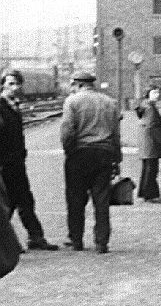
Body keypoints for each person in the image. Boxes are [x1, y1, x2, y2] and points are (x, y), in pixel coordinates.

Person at [60, 71, 122, 253]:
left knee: (75, 199)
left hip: (79, 154)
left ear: (78, 84)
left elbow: (67, 131)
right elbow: (116, 134)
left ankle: (76, 240)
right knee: (102, 200)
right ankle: (102, 242)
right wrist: (117, 159)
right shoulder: (110, 103)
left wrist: (69, 151)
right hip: (104, 154)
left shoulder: (72, 101)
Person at [0, 70, 59, 251]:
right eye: (10, 84)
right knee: (12, 202)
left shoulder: (13, 105)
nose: (15, 88)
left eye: (17, 84)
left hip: (16, 162)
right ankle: (17, 240)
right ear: (2, 84)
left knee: (22, 200)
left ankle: (35, 237)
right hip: (6, 163)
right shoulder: (1, 106)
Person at [135, 88, 161, 203]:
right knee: (152, 169)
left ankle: (144, 192)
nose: (157, 95)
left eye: (158, 92)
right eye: (154, 93)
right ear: (148, 94)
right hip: (151, 142)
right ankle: (152, 195)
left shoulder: (145, 105)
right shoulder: (150, 108)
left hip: (146, 142)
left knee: (147, 168)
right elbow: (152, 125)